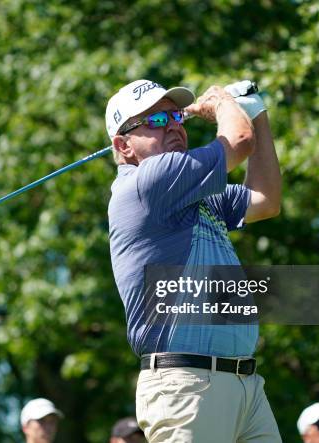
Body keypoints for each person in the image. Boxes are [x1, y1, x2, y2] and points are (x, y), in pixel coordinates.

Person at [106, 79, 282, 442]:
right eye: (154, 121)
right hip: (186, 387)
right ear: (123, 146)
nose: (172, 126)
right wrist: (220, 103)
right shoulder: (148, 183)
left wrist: (256, 111)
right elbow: (239, 142)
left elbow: (265, 200)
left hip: (245, 386)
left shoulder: (194, 195)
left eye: (174, 116)